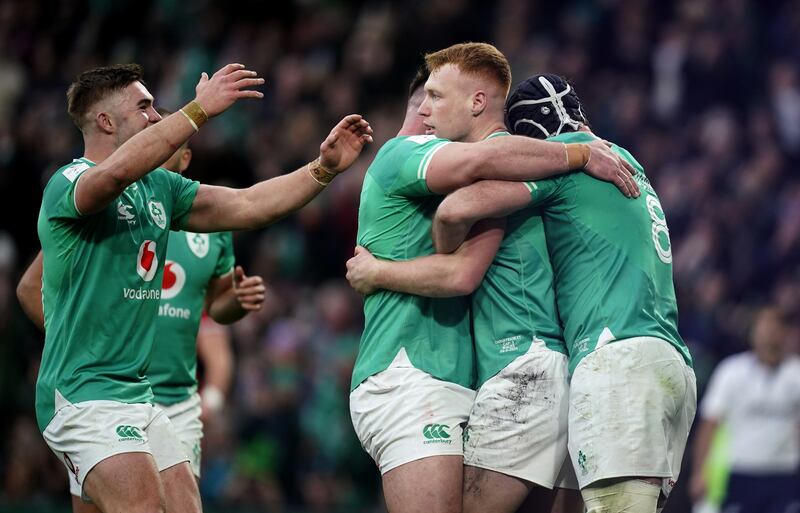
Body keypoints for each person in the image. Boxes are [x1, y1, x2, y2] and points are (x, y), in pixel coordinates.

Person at [31, 62, 372, 513]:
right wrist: (198, 110)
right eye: (145, 106)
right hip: (83, 393)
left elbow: (248, 204)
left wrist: (323, 169)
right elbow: (111, 177)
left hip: (139, 396)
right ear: (105, 122)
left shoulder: (160, 189)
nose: (156, 116)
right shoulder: (68, 183)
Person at [349, 44, 638, 513]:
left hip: (516, 369)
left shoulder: (500, 170)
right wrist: (579, 153)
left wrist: (377, 271)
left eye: (437, 98)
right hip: (453, 374)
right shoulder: (415, 155)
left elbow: (462, 261)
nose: (428, 109)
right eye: (425, 98)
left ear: (476, 102)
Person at [403, 72, 695, 513]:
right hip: (669, 364)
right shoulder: (625, 160)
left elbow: (458, 207)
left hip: (617, 358)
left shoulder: (567, 164)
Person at [17, 120, 267, 512]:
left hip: (172, 400)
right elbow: (30, 288)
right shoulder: (103, 210)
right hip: (97, 393)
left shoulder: (211, 227)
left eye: (164, 140)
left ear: (184, 157)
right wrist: (76, 347)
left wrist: (236, 302)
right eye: (149, 136)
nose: (152, 144)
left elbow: (214, 313)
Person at [690, 306, 800, 513]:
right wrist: (699, 472)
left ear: (785, 332)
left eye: (775, 327)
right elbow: (709, 425)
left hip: (784, 473)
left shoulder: (796, 374)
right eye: (764, 326)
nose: (770, 333)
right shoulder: (731, 371)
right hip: (741, 471)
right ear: (752, 332)